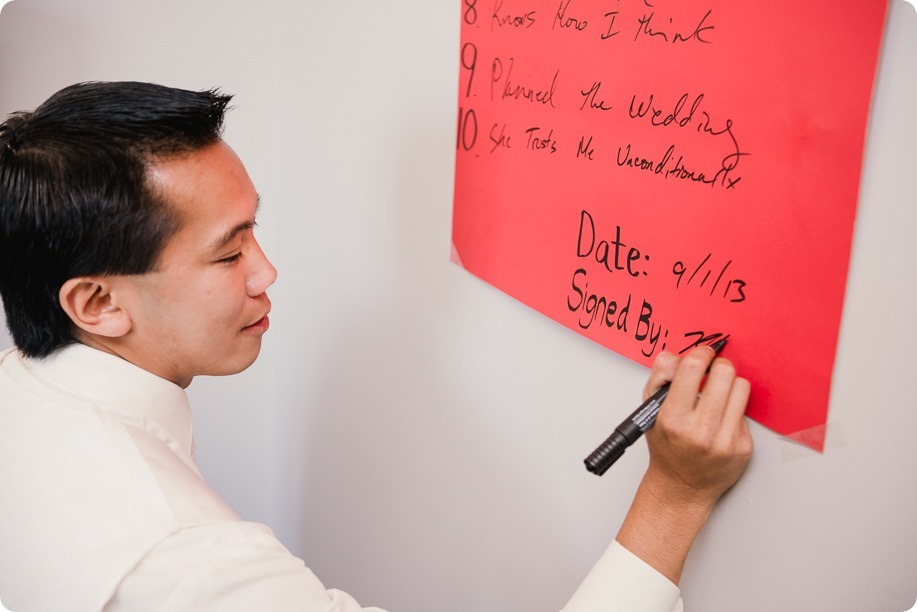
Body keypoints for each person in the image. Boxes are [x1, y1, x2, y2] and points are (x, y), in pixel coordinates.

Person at [0, 81, 752, 612]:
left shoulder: (24, 388)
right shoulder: (189, 563)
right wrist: (674, 498)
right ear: (97, 303)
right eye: (229, 255)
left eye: (255, 230)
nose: (266, 272)